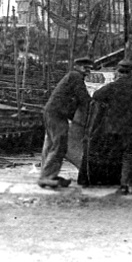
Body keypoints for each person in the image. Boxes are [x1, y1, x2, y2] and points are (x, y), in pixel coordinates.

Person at [91, 58, 132, 197]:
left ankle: (124, 185)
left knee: (127, 155)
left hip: (125, 128)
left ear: (119, 72)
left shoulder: (113, 86)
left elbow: (96, 95)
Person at [38, 57, 92, 189]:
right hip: (57, 114)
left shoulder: (72, 77)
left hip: (53, 112)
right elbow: (84, 99)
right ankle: (47, 177)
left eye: (89, 68)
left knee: (50, 144)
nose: (88, 71)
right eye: (85, 68)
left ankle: (46, 175)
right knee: (60, 144)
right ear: (77, 67)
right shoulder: (75, 76)